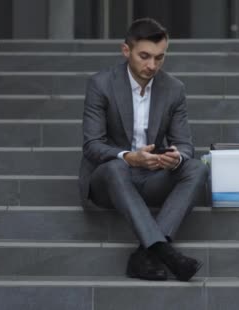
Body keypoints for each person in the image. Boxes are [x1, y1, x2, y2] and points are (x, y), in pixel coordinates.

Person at [78, 17, 208, 282]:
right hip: (110, 180)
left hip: (152, 176)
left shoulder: (174, 89)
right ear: (126, 51)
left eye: (160, 58)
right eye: (145, 56)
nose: (152, 66)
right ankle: (164, 250)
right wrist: (129, 157)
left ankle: (145, 254)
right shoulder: (101, 84)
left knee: (196, 168)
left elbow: (185, 144)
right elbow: (92, 146)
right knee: (116, 167)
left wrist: (176, 158)